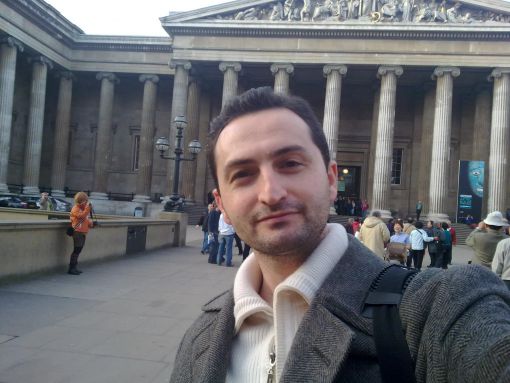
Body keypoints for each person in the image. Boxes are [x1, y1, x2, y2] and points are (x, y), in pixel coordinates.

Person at [170, 87, 510, 383]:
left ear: (332, 180)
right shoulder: (198, 338)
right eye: (243, 174)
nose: (271, 193)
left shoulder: (439, 308)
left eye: (290, 163)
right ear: (221, 205)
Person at [68, 192, 94, 275]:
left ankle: (74, 267)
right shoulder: (75, 208)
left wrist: (91, 224)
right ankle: (71, 268)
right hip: (77, 232)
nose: (86, 202)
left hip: (83, 232)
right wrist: (87, 209)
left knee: (79, 250)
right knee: (76, 250)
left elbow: (85, 220)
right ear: (80, 200)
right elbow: (81, 216)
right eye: (85, 201)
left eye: (86, 201)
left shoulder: (83, 210)